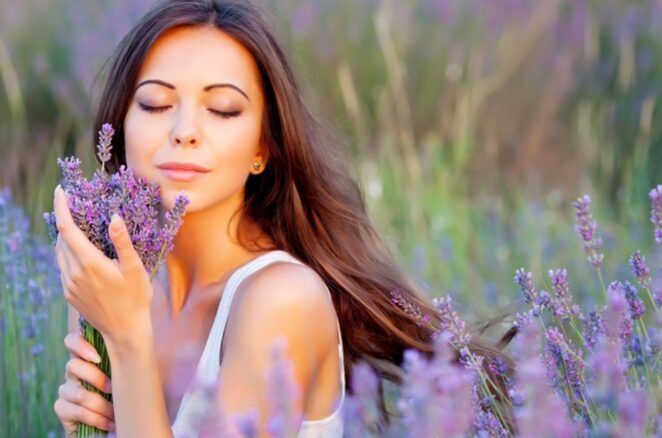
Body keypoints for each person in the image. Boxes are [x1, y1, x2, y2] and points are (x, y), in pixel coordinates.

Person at [52, 1, 513, 436]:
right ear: (120, 126)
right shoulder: (110, 282)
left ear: (263, 146)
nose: (184, 132)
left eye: (222, 109)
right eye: (155, 104)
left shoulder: (281, 299)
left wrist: (128, 339)